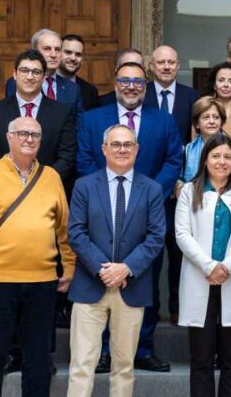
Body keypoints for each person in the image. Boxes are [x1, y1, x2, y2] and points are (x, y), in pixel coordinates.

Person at [0, 116, 75, 397]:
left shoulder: (51, 177)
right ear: (9, 137)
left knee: (38, 363)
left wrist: (68, 267)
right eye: (22, 133)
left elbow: (64, 231)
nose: (29, 139)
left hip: (41, 284)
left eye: (35, 135)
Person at [76, 60, 183, 373]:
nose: (132, 86)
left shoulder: (162, 120)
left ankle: (143, 348)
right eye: (125, 80)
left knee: (143, 281)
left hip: (148, 214)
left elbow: (173, 160)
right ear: (115, 82)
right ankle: (106, 351)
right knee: (103, 278)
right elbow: (83, 160)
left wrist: (150, 194)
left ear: (145, 86)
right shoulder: (92, 119)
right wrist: (101, 194)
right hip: (100, 216)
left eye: (138, 81)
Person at [66, 125, 166, 397]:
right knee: (82, 365)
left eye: (128, 144)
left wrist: (126, 268)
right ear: (104, 149)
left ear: (137, 149)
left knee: (123, 367)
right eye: (116, 144)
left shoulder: (152, 189)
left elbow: (156, 237)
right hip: (90, 288)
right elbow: (75, 232)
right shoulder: (84, 186)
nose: (122, 149)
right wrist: (104, 269)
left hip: (131, 288)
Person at [176, 134, 231, 397]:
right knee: (201, 359)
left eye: (227, 156)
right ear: (205, 160)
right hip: (199, 279)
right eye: (216, 156)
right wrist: (209, 266)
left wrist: (226, 266)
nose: (221, 161)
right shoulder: (190, 191)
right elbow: (182, 234)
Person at [0, 49, 76, 184]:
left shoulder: (62, 113)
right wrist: (9, 183)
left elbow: (67, 157)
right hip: (4, 191)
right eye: (24, 70)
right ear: (15, 74)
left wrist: (41, 182)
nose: (30, 77)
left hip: (46, 190)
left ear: (44, 77)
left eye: (36, 72)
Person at [5, 28, 83, 114]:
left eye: (57, 49)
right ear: (35, 51)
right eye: (47, 49)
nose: (53, 55)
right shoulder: (17, 83)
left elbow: (77, 123)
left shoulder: (72, 89)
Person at [179, 97, 226, 193]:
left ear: (221, 122)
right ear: (197, 124)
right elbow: (181, 180)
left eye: (216, 117)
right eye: (206, 117)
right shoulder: (188, 150)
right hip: (195, 200)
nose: (212, 121)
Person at [58, 33, 101, 110]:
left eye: (78, 54)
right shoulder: (45, 85)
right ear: (58, 54)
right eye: (68, 52)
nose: (73, 58)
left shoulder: (90, 91)